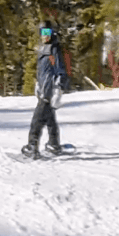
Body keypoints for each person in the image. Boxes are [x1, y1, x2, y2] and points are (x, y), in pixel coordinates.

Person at [23, 21, 69, 158]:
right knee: (50, 118)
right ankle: (53, 144)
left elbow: (60, 70)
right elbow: (43, 70)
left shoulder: (54, 49)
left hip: (49, 90)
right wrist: (38, 83)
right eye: (43, 32)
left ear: (52, 33)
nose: (45, 36)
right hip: (43, 88)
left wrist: (58, 90)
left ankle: (32, 146)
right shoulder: (43, 48)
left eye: (48, 32)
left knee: (37, 119)